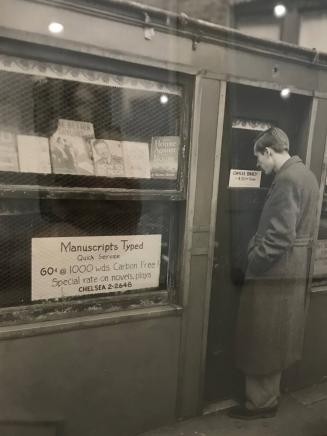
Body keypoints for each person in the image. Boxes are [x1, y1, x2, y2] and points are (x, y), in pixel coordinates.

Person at [229, 127, 319, 420]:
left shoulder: (287, 180)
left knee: (262, 336)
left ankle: (260, 404)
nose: (258, 166)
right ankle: (268, 397)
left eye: (259, 158)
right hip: (292, 270)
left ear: (269, 151)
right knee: (276, 337)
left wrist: (253, 259)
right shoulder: (306, 175)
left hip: (273, 273)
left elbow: (280, 236)